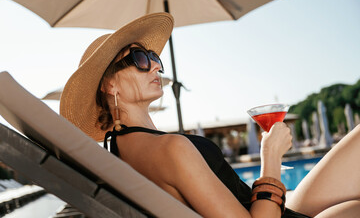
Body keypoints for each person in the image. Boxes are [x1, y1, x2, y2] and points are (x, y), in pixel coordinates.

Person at [60, 13, 360, 218]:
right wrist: (271, 156)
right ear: (109, 83)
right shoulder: (168, 149)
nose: (156, 67)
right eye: (140, 59)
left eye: (155, 59)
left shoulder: (123, 148)